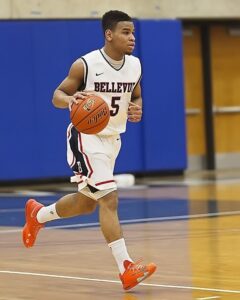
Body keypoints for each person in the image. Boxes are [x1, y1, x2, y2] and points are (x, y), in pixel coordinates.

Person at [22, 10, 156, 290]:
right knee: (109, 199)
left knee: (86, 203)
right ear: (109, 34)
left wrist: (138, 108)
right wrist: (71, 99)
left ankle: (38, 216)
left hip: (114, 140)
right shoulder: (85, 64)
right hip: (85, 138)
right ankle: (126, 268)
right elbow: (56, 95)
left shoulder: (135, 66)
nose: (132, 38)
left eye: (133, 32)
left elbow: (137, 94)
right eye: (125, 32)